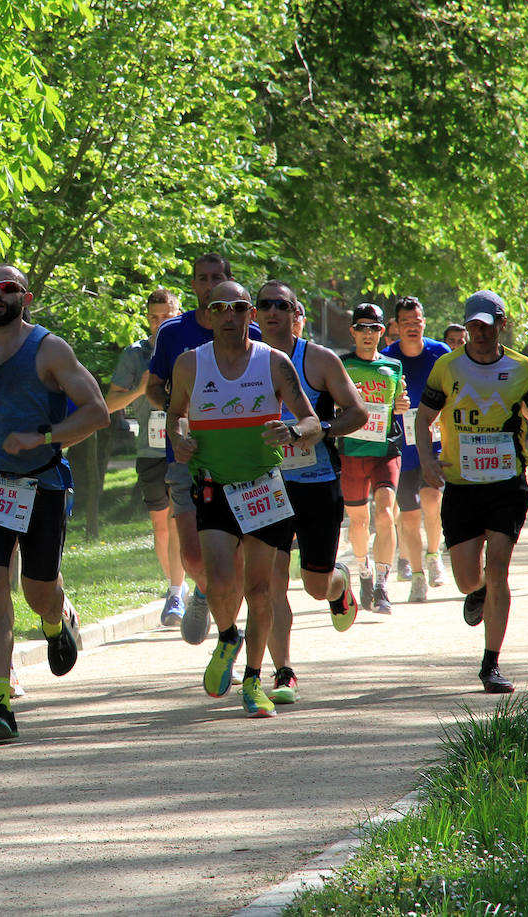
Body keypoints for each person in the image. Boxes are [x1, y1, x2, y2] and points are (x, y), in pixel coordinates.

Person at [0, 263, 108, 741]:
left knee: (39, 591)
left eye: (8, 288)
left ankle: (58, 620)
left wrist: (42, 436)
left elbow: (97, 412)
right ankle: (0, 704)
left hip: (42, 485)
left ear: (26, 297)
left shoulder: (49, 350)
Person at [166, 280, 321, 718]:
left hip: (262, 487)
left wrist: (291, 431)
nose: (230, 316)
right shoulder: (189, 365)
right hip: (214, 485)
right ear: (209, 314)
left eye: (238, 308)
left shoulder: (274, 362)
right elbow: (176, 416)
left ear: (250, 314)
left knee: (260, 588)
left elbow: (311, 422)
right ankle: (228, 635)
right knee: (218, 581)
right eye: (220, 308)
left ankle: (254, 680)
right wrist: (179, 440)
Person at [414, 290, 528, 694]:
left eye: (487, 326)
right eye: (473, 326)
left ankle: (491, 664)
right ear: (466, 327)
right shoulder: (447, 367)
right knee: (467, 578)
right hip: (461, 485)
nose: (479, 333)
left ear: (501, 325)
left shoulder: (522, 369)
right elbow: (423, 419)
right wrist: (427, 459)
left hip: (507, 483)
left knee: (500, 568)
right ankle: (479, 591)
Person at [254, 282, 367, 705]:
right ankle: (284, 672)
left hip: (317, 482)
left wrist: (321, 431)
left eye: (281, 305)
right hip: (267, 484)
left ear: (295, 313)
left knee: (314, 586)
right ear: (253, 314)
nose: (271, 312)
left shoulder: (318, 360)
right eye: (263, 304)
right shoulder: (244, 361)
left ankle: (339, 585)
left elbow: (356, 411)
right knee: (270, 581)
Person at [146, 253, 262, 645]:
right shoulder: (172, 332)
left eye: (218, 277)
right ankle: (204, 590)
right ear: (193, 286)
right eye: (202, 278)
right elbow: (152, 386)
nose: (210, 284)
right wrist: (180, 419)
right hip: (185, 455)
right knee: (194, 558)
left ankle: (227, 628)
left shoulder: (253, 333)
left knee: (237, 553)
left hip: (241, 460)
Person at [105, 288, 186, 625]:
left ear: (178, 312)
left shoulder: (191, 347)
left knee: (178, 521)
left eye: (166, 315)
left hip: (184, 445)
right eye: (154, 317)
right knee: (160, 524)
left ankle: (176, 593)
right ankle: (177, 589)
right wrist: (140, 389)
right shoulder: (135, 354)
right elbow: (109, 405)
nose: (159, 322)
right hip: (150, 450)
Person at [338, 303, 407, 615]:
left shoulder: (393, 366)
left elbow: (398, 402)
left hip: (386, 449)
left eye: (374, 328)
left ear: (383, 331)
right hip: (351, 451)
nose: (368, 334)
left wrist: (402, 405)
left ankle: (382, 583)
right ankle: (364, 572)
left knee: (384, 514)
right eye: (362, 328)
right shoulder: (339, 365)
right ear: (352, 332)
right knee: (359, 520)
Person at [381, 296, 451, 603]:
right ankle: (418, 576)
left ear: (424, 322)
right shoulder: (387, 358)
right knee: (408, 518)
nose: (412, 328)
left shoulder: (440, 353)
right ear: (396, 326)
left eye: (417, 322)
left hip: (434, 444)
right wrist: (392, 405)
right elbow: (374, 403)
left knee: (432, 501)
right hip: (402, 448)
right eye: (406, 323)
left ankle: (434, 556)